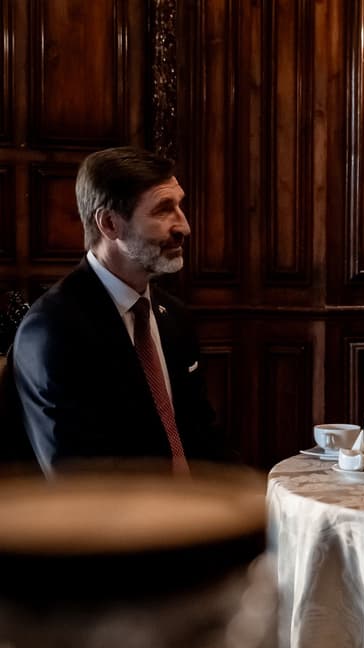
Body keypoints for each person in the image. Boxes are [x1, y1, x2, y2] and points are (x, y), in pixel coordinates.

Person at [5, 146, 226, 475]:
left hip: (198, 502)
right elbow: (76, 476)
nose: (184, 226)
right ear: (110, 224)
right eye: (163, 210)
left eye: (179, 206)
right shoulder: (52, 330)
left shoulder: (175, 316)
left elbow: (203, 436)